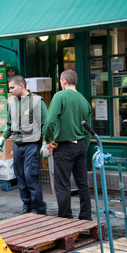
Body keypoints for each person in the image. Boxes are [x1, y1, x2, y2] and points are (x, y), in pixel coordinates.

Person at [42, 69, 92, 220]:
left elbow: (50, 121)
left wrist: (47, 140)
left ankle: (65, 218)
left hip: (64, 147)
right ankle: (86, 216)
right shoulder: (84, 101)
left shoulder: (60, 96)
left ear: (63, 81)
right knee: (82, 184)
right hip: (81, 145)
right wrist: (84, 147)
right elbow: (88, 130)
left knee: (63, 184)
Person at [0, 75, 47, 215]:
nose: (11, 90)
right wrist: (3, 137)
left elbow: (46, 124)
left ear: (22, 86)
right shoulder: (12, 102)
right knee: (20, 176)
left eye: (12, 88)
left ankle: (39, 208)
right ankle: (27, 206)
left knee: (30, 176)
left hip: (32, 144)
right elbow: (9, 124)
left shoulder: (37, 101)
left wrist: (45, 142)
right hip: (17, 145)